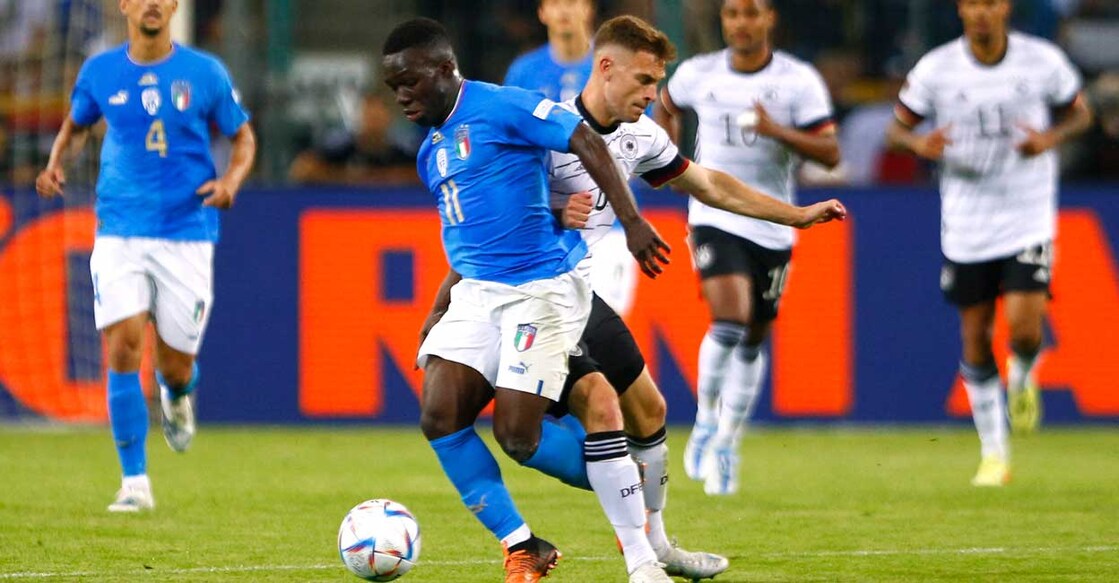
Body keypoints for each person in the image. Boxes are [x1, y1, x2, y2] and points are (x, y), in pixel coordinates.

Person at [543, 15, 846, 578]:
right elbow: (493, 213)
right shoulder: (545, 131)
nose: (653, 96)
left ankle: (656, 546)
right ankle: (635, 559)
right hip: (531, 300)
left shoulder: (641, 135)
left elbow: (709, 184)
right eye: (642, 81)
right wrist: (555, 213)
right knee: (579, 416)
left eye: (658, 83)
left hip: (579, 292)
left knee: (650, 411)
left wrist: (796, 215)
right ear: (605, 67)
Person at [381, 18, 675, 583]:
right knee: (440, 415)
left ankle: (625, 489)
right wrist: (440, 307)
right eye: (393, 86)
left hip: (540, 289)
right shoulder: (431, 152)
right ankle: (524, 545)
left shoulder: (502, 106)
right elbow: (469, 240)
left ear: (444, 70)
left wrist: (633, 222)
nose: (401, 96)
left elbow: (583, 138)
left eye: (409, 82)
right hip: (478, 295)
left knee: (518, 435)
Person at [34, 0, 256, 511]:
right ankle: (134, 482)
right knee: (124, 344)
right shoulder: (100, 70)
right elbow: (75, 125)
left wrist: (230, 181)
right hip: (120, 227)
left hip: (188, 230)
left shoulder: (204, 73)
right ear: (125, 6)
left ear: (175, 7)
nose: (152, 4)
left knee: (176, 365)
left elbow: (243, 138)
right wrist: (54, 165)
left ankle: (177, 394)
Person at [885, 0, 1092, 486]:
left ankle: (1023, 371)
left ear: (1006, 8)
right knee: (975, 336)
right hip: (966, 221)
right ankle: (994, 454)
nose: (982, 13)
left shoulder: (1042, 60)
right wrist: (918, 145)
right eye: (973, 4)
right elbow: (897, 129)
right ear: (960, 10)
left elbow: (1081, 115)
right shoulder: (936, 68)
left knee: (1022, 329)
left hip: (1027, 212)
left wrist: (1050, 138)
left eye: (991, 3)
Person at [655, 0, 842, 496]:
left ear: (769, 19)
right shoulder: (699, 73)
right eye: (733, 14)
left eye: (751, 13)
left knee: (754, 337)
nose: (741, 23)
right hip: (714, 214)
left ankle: (728, 443)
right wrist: (670, 160)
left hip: (773, 223)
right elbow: (665, 105)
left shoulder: (798, 81)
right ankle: (704, 424)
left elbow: (830, 151)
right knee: (730, 318)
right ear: (724, 21)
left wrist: (777, 130)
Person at [504, 0, 595, 103]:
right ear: (541, 12)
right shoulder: (523, 71)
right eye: (554, 3)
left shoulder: (607, 63)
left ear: (587, 9)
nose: (563, 10)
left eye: (571, 2)